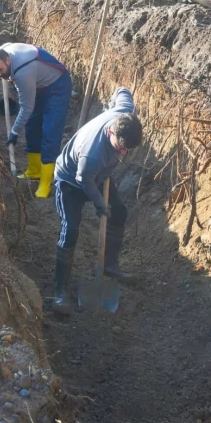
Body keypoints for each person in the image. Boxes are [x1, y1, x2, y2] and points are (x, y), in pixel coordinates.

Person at [51, 87, 143, 315]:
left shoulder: (123, 112)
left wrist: (117, 94)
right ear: (111, 133)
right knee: (70, 229)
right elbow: (85, 182)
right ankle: (60, 290)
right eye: (120, 148)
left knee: (119, 212)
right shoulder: (93, 153)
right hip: (72, 181)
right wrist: (100, 204)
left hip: (99, 176)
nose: (122, 154)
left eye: (127, 150)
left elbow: (123, 91)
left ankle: (109, 266)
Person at [0, 43, 72, 199]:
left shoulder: (22, 73)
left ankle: (46, 182)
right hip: (39, 85)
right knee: (32, 126)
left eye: (0, 70)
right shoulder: (4, 50)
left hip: (57, 87)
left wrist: (14, 132)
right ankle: (34, 170)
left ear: (8, 60)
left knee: (50, 132)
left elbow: (26, 108)